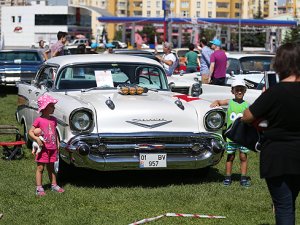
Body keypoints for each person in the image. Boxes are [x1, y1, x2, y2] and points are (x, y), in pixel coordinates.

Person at [241, 42, 300, 225]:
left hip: (277, 156)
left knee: (284, 206)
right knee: (290, 202)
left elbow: (247, 117)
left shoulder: (274, 92)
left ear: (280, 64)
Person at [210, 79, 251, 187]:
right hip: (231, 136)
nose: (239, 92)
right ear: (232, 91)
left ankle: (243, 178)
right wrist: (216, 102)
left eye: (241, 90)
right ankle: (228, 177)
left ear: (245, 91)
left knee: (243, 157)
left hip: (242, 136)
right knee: (230, 157)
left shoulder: (247, 105)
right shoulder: (229, 102)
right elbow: (219, 102)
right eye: (237, 90)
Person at [28, 94, 64, 196]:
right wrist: (36, 139)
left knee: (51, 168)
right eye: (52, 106)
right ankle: (39, 188)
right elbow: (30, 132)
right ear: (45, 107)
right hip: (43, 148)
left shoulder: (53, 120)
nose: (54, 107)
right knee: (40, 168)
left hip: (52, 148)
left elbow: (55, 133)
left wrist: (57, 144)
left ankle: (54, 185)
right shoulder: (39, 120)